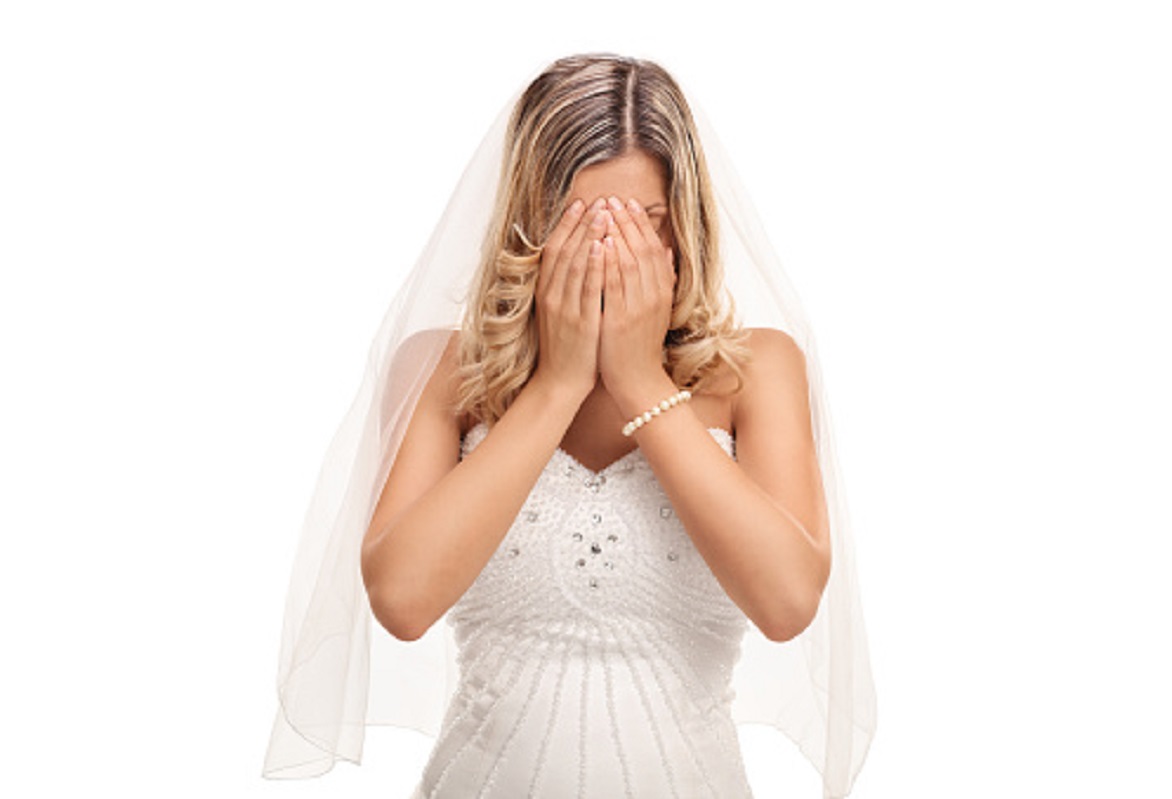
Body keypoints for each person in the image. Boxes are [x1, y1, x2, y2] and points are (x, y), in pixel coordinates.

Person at [264, 54, 876, 798]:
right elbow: (402, 601)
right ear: (531, 221)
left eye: (642, 224)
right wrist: (558, 383)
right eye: (582, 225)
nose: (610, 256)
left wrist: (641, 380)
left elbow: (788, 603)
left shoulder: (758, 369)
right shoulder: (440, 368)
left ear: (684, 226)